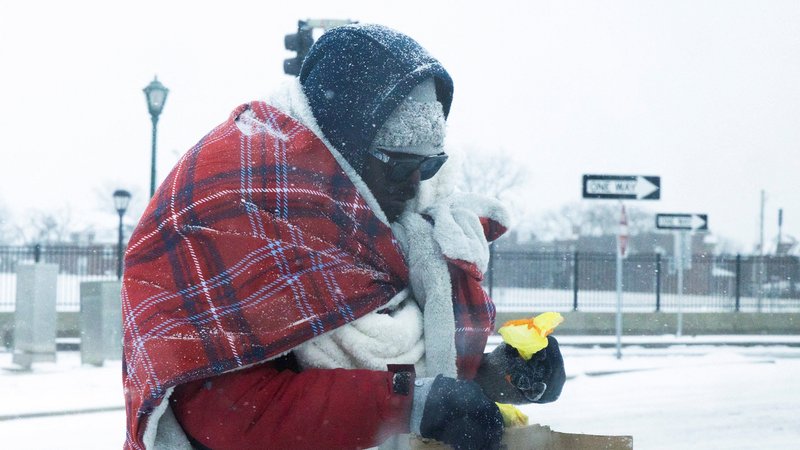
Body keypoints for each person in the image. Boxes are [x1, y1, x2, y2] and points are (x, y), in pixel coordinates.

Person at [121, 24, 565, 450]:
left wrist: (495, 377)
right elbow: (223, 409)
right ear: (343, 143)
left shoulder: (389, 231)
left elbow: (397, 374)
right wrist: (408, 404)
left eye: (427, 165)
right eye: (398, 164)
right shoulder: (242, 201)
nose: (414, 185)